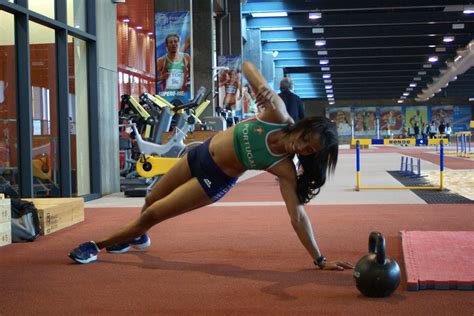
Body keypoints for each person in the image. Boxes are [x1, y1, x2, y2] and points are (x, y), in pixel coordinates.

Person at [68, 61, 352, 271]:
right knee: (150, 199)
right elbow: (246, 66)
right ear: (303, 127)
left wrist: (320, 259)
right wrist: (261, 86)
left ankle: (96, 246)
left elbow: (298, 217)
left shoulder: (284, 167)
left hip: (213, 180)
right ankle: (137, 236)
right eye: (305, 140)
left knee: (153, 213)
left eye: (309, 151)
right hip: (198, 155)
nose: (300, 148)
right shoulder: (277, 112)